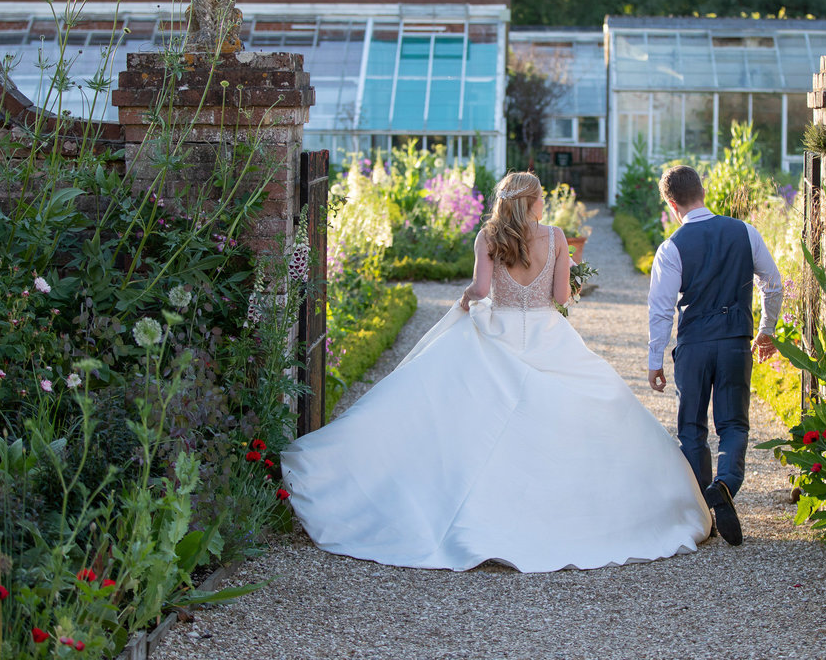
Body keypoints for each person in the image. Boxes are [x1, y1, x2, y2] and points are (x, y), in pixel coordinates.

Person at [282, 171, 711, 572]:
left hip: (499, 330)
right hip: (547, 333)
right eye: (541, 198)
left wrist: (465, 303)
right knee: (588, 406)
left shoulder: (488, 237)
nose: (544, 204)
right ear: (532, 202)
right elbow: (561, 295)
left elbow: (481, 290)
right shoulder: (557, 237)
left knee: (467, 410)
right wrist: (563, 282)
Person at [647, 165, 783, 547]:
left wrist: (655, 359)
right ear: (703, 191)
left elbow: (660, 309)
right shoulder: (745, 232)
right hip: (735, 341)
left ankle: (702, 514)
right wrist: (766, 330)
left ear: (672, 204)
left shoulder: (671, 247)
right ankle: (724, 485)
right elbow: (773, 284)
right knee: (734, 424)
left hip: (693, 345)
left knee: (691, 428)